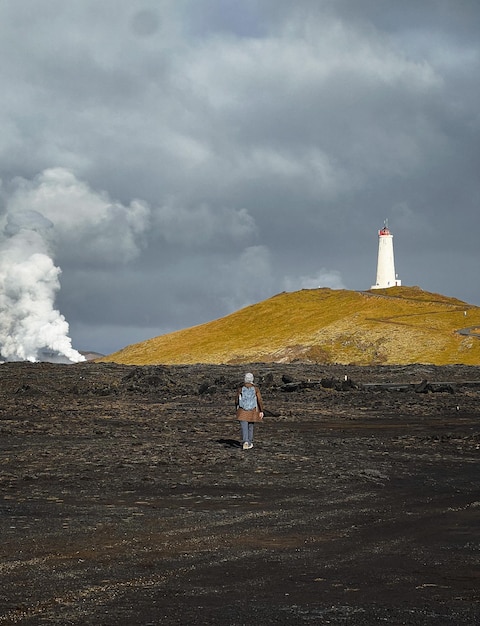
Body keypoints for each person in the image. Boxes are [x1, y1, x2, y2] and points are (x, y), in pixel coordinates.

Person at [236, 372, 264, 450]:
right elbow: (259, 400)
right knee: (250, 426)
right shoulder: (256, 389)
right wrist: (261, 410)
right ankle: (249, 442)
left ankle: (245, 441)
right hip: (252, 411)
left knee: (244, 426)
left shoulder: (240, 388)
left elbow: (236, 400)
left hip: (242, 411)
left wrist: (237, 408)